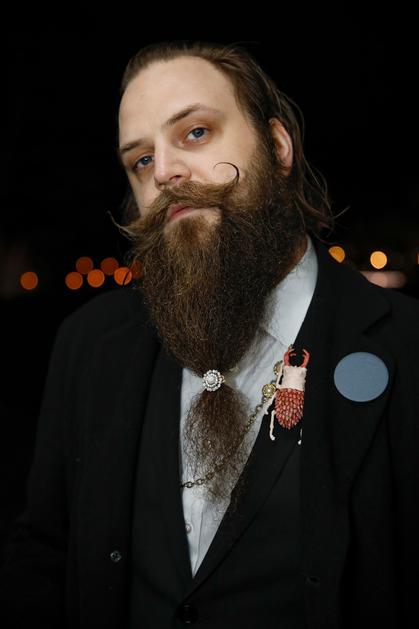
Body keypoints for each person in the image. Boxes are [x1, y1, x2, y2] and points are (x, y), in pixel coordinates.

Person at [0, 39, 418, 629]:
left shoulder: (406, 347)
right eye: (141, 160)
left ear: (277, 146)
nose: (164, 172)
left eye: (196, 132)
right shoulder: (88, 344)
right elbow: (44, 553)